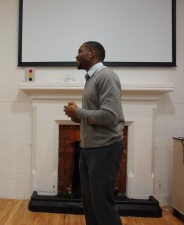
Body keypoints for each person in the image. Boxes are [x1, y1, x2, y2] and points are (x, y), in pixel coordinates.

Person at [64, 41, 125, 225]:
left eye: (80, 51)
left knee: (102, 205)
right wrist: (76, 116)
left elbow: (110, 116)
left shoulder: (107, 77)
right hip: (89, 149)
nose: (76, 55)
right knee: (90, 203)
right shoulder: (91, 79)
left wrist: (79, 112)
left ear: (92, 54)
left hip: (105, 149)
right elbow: (96, 114)